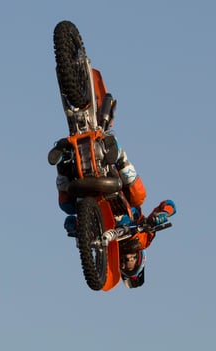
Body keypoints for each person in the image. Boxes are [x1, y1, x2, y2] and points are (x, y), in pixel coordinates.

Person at [54, 74, 176, 288]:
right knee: (139, 197)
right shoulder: (143, 238)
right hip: (117, 191)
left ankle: (63, 164)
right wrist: (160, 216)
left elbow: (70, 224)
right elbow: (169, 205)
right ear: (140, 259)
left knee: (66, 207)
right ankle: (119, 155)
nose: (127, 259)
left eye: (125, 263)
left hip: (90, 198)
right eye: (132, 261)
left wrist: (76, 230)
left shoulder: (105, 244)